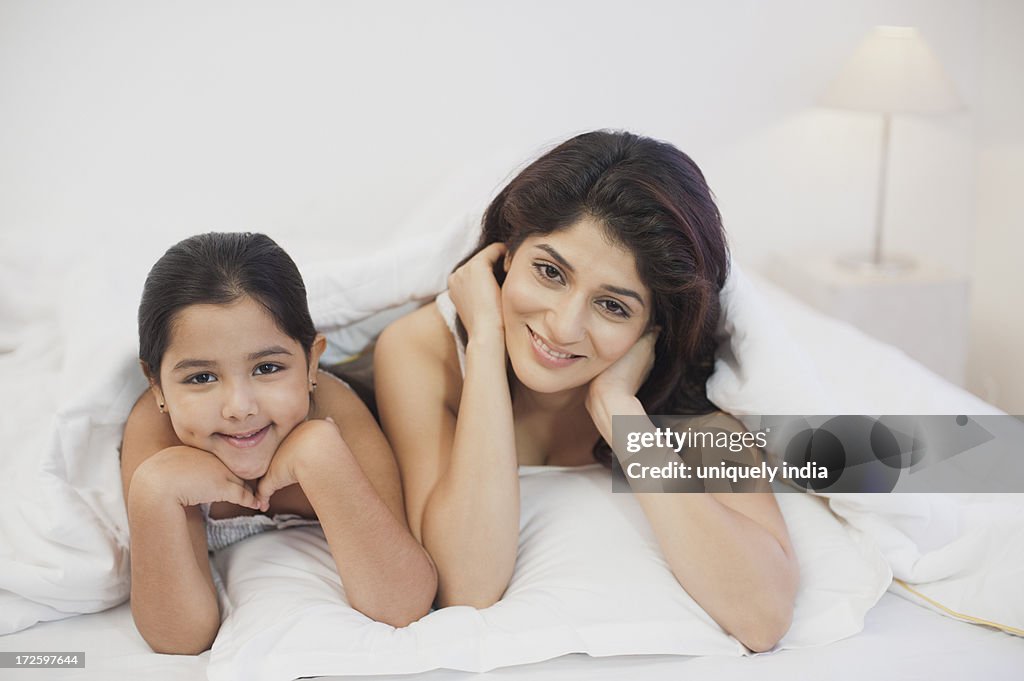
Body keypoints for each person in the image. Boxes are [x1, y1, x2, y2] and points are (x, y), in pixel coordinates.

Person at [374, 130, 799, 652]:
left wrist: (623, 416)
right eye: (549, 272)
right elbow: (468, 585)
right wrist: (484, 342)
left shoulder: (692, 399)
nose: (563, 326)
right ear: (505, 255)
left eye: (613, 306)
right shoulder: (420, 352)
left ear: (653, 328)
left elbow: (763, 616)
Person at [120, 232, 436, 654]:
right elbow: (179, 637)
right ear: (157, 385)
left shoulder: (335, 417)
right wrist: (154, 492)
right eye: (201, 378)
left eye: (267, 368)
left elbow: (401, 603)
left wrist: (323, 461)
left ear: (311, 362)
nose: (239, 407)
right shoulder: (156, 438)